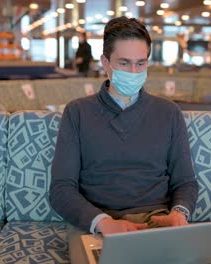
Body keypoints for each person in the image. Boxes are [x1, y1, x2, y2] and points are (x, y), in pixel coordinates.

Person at [50, 17, 198, 235]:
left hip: (155, 223)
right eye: (124, 63)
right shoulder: (77, 112)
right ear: (105, 62)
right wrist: (102, 222)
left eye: (141, 63)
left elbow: (185, 181)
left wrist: (179, 213)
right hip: (97, 223)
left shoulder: (168, 112)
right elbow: (61, 189)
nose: (133, 72)